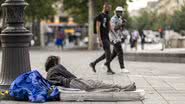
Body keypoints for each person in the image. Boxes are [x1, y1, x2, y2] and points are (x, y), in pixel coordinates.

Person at [45, 56, 136, 92]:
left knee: (97, 85)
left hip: (69, 85)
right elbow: (70, 75)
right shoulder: (56, 67)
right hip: (72, 83)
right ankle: (124, 87)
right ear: (54, 62)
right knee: (98, 84)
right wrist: (80, 79)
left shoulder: (49, 73)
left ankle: (120, 88)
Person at [89, 3, 115, 74]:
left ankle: (93, 63)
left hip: (107, 37)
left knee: (107, 54)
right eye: (109, 8)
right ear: (105, 7)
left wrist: (115, 35)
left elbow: (110, 27)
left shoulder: (108, 16)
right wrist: (99, 39)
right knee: (108, 53)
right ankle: (108, 69)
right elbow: (97, 28)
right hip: (102, 37)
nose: (110, 9)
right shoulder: (99, 16)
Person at [108, 6, 129, 73]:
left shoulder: (120, 18)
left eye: (121, 12)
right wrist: (121, 24)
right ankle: (122, 68)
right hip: (114, 37)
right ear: (116, 12)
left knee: (114, 54)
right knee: (120, 52)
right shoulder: (113, 19)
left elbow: (120, 29)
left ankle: (106, 63)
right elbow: (113, 29)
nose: (120, 13)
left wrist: (123, 25)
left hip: (118, 37)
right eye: (118, 12)